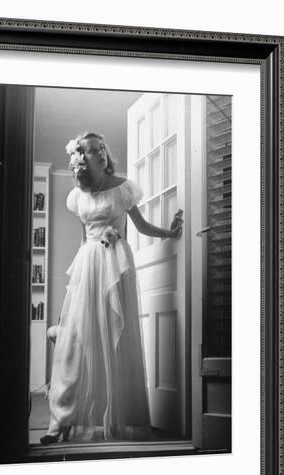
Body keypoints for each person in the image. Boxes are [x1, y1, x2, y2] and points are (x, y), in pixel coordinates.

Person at [40, 132, 183, 445]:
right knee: (75, 342)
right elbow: (84, 237)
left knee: (115, 338)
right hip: (88, 263)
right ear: (81, 160)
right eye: (91, 150)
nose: (99, 152)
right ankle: (59, 423)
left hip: (116, 264)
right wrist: (77, 279)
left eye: (100, 147)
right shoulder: (78, 196)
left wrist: (169, 234)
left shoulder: (123, 188)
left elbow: (141, 226)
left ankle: (117, 420)